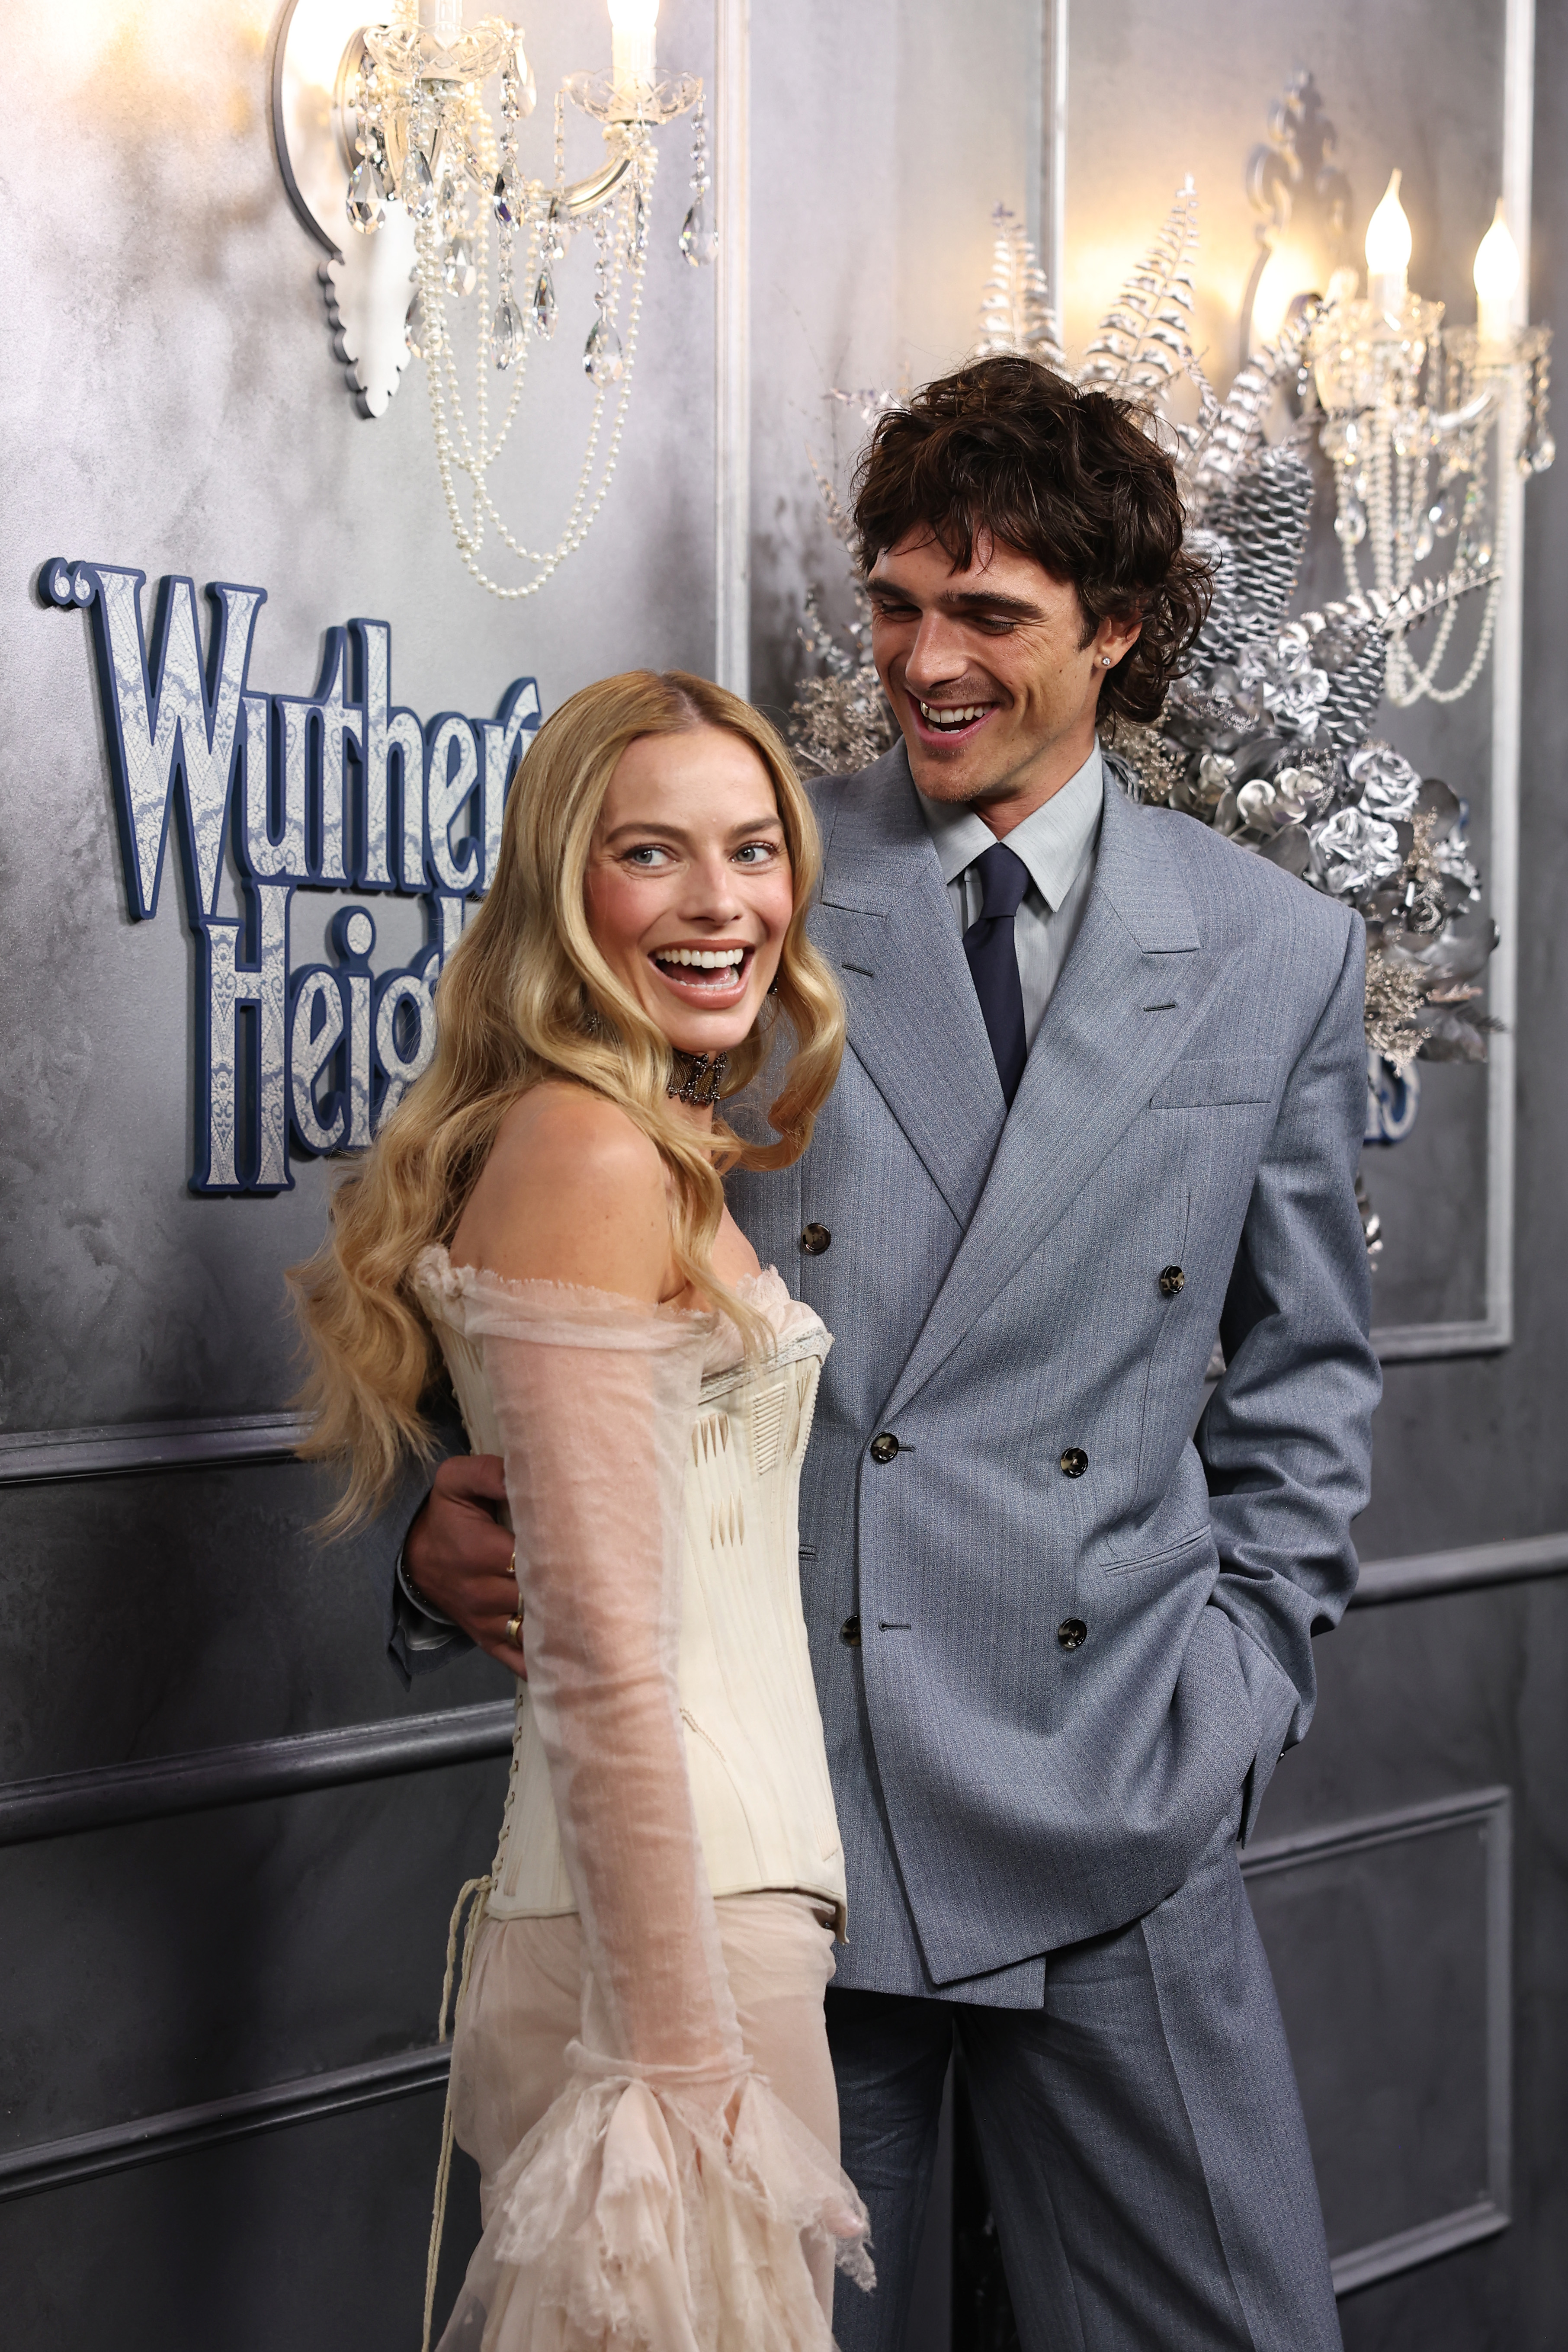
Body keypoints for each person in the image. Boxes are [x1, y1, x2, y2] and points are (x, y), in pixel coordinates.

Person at [394, 357, 1382, 2352]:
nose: (925, 662)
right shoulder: (745, 877)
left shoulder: (1278, 947)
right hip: (799, 1821)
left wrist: (1245, 1686)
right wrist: (430, 1538)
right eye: (894, 605)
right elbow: (526, 1231)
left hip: (1120, 1786)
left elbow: (1305, 1382)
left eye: (988, 616)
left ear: (1114, 629)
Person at [292, 670, 873, 2352]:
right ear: (568, 884)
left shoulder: (635, 1139)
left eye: (754, 849)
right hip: (665, 1958)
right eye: (655, 853)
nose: (723, 902)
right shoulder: (592, 1156)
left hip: (699, 1921)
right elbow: (607, 1659)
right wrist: (680, 2070)